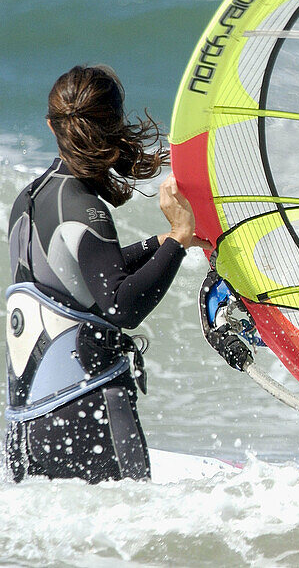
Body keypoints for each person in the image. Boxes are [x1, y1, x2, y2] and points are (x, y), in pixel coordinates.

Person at [5, 65, 210, 483]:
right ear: (114, 127)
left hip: (25, 425)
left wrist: (163, 243)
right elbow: (121, 304)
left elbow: (80, 276)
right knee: (135, 538)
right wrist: (179, 236)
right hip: (88, 406)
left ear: (51, 125)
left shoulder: (28, 200)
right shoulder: (81, 203)